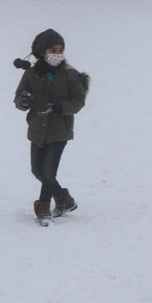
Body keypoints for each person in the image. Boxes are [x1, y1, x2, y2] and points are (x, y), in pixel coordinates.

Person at [12, 29, 89, 226]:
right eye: (52, 49)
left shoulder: (70, 75)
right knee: (37, 171)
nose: (57, 54)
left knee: (48, 172)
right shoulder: (31, 74)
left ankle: (43, 208)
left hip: (59, 129)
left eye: (60, 50)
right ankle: (65, 199)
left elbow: (79, 101)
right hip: (37, 129)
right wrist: (25, 101)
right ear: (41, 52)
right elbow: (19, 98)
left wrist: (60, 108)